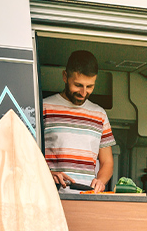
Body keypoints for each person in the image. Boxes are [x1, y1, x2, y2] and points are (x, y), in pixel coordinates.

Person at [41, 50, 115, 192]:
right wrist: (48, 175)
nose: (83, 93)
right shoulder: (44, 107)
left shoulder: (100, 114)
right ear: (65, 76)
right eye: (78, 85)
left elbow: (107, 162)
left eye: (90, 86)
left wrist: (100, 181)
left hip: (87, 198)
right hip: (51, 197)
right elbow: (28, 156)